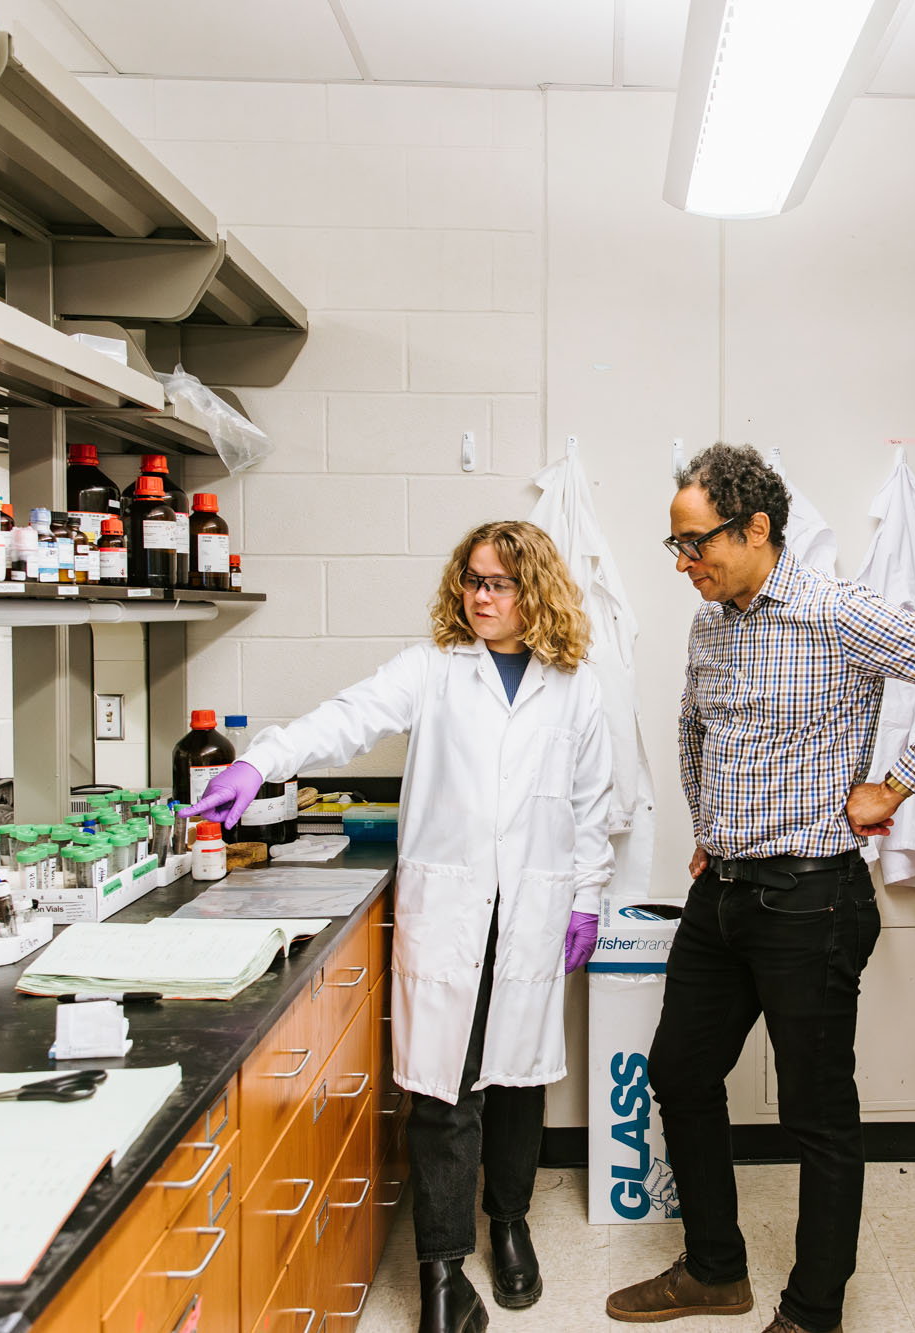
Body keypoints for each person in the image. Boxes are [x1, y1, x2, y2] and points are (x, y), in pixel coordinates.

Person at [189, 520, 614, 1333]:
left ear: (536, 592)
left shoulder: (577, 685)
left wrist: (588, 895)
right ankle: (444, 1272)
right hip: (452, 909)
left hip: (532, 907)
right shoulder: (431, 671)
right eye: (473, 580)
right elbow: (344, 717)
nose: (482, 597)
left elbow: (593, 805)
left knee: (519, 1079)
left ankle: (511, 1220)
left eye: (500, 583)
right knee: (443, 1090)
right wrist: (258, 760)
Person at [607, 445, 915, 1333]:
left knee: (818, 1111)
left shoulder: (834, 609)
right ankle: (714, 1269)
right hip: (726, 893)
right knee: (679, 1070)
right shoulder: (712, 620)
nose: (683, 562)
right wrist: (710, 827)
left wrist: (897, 783)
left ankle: (814, 1311)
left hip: (811, 899)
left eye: (695, 541)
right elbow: (694, 726)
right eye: (675, 544)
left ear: (757, 529)